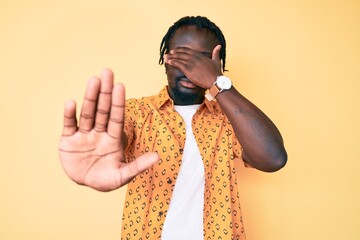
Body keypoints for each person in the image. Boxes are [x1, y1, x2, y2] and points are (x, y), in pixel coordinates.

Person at [59, 16, 287, 240]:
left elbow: (273, 158)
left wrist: (218, 84)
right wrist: (102, 152)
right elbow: (116, 138)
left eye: (203, 60)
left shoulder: (229, 120)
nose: (191, 69)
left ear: (217, 66)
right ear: (166, 58)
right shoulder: (137, 111)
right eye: (183, 56)